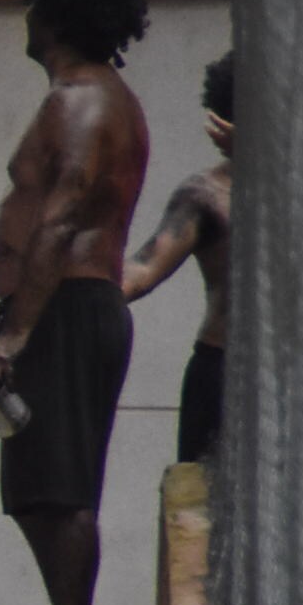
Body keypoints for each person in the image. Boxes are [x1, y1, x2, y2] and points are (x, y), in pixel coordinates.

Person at [0, 0, 152, 605]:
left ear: (53, 12)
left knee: (60, 490)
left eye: (30, 0)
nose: (25, 13)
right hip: (63, 309)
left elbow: (64, 213)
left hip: (67, 310)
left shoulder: (81, 99)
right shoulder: (87, 95)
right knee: (41, 492)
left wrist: (16, 331)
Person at [123, 53, 233, 464]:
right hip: (221, 367)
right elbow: (142, 271)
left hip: (299, 379)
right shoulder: (206, 194)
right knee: (202, 504)